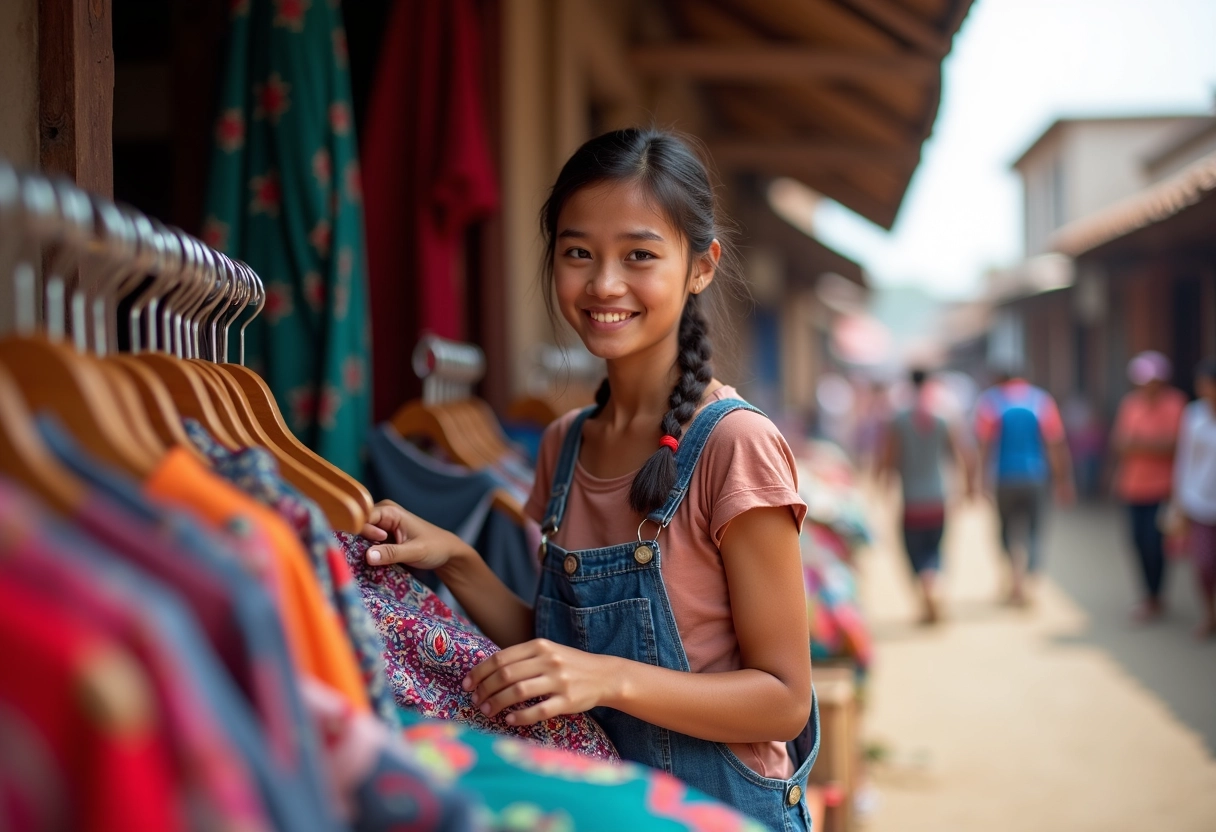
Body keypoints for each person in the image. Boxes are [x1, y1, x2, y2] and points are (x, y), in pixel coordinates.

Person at [356, 129, 817, 829]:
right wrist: (459, 561)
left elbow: (785, 698)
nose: (604, 284)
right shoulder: (561, 445)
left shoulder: (734, 444)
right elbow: (560, 648)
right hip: (591, 809)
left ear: (700, 266)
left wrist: (612, 680)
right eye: (578, 253)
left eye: (639, 255)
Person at [974, 368, 1075, 606]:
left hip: (1004, 476)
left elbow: (985, 444)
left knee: (1006, 528)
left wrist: (980, 480)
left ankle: (1013, 578)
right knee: (1034, 530)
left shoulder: (991, 401)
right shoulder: (1041, 400)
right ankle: (1031, 580)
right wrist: (1063, 480)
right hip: (1035, 476)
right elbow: (1054, 444)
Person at [880, 369, 974, 624]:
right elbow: (958, 455)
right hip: (938, 498)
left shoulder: (900, 419)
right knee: (934, 549)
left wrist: (884, 484)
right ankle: (934, 582)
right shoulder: (943, 417)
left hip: (911, 501)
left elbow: (889, 458)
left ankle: (926, 589)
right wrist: (967, 487)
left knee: (913, 550)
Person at [1111, 351, 1187, 621]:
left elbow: (1175, 447)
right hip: (1132, 487)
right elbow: (1120, 444)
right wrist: (1150, 446)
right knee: (1137, 543)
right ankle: (1148, 594)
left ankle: (1156, 596)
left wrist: (1140, 445)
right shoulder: (1130, 404)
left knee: (1156, 544)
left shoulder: (1175, 404)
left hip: (1163, 488)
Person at [1173, 358, 1216, 638]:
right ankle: (1209, 614)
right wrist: (1180, 498)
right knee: (1203, 564)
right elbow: (1185, 459)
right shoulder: (1194, 415)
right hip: (1200, 501)